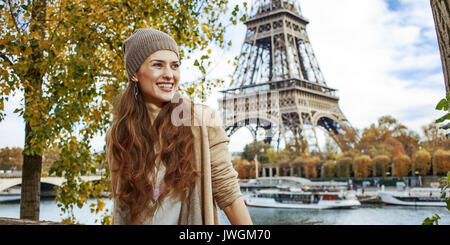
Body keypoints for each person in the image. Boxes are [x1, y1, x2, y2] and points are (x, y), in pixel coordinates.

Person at [106, 28, 253, 225]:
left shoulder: (202, 121)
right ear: (134, 74)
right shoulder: (119, 133)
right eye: (158, 65)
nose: (169, 74)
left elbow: (229, 194)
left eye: (175, 66)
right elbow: (122, 205)